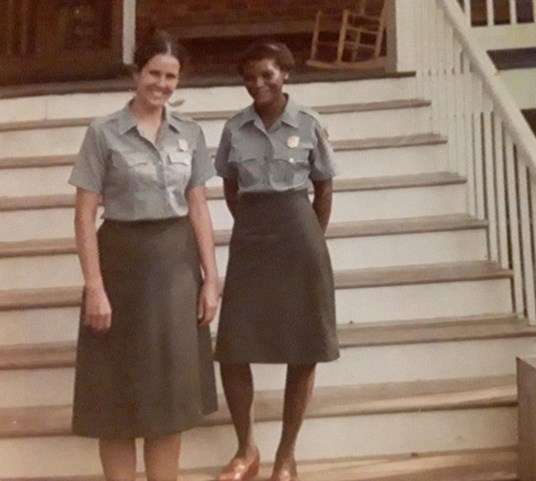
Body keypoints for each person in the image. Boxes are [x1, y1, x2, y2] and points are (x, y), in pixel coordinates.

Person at [68, 31, 219, 481]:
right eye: (154, 72)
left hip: (175, 271)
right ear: (137, 74)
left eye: (171, 76)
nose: (162, 83)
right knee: (116, 399)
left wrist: (210, 279)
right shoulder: (103, 133)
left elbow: (198, 205)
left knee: (168, 400)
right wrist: (95, 286)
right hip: (120, 268)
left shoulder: (189, 133)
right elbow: (84, 213)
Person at [214, 41, 339, 481]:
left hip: (299, 234)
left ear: (285, 74)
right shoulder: (235, 128)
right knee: (233, 345)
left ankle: (286, 456)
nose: (258, 84)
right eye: (249, 77)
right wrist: (253, 224)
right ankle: (246, 449)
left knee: (302, 346)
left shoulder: (308, 123)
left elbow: (323, 188)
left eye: (267, 75)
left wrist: (309, 238)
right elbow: (230, 187)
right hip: (251, 235)